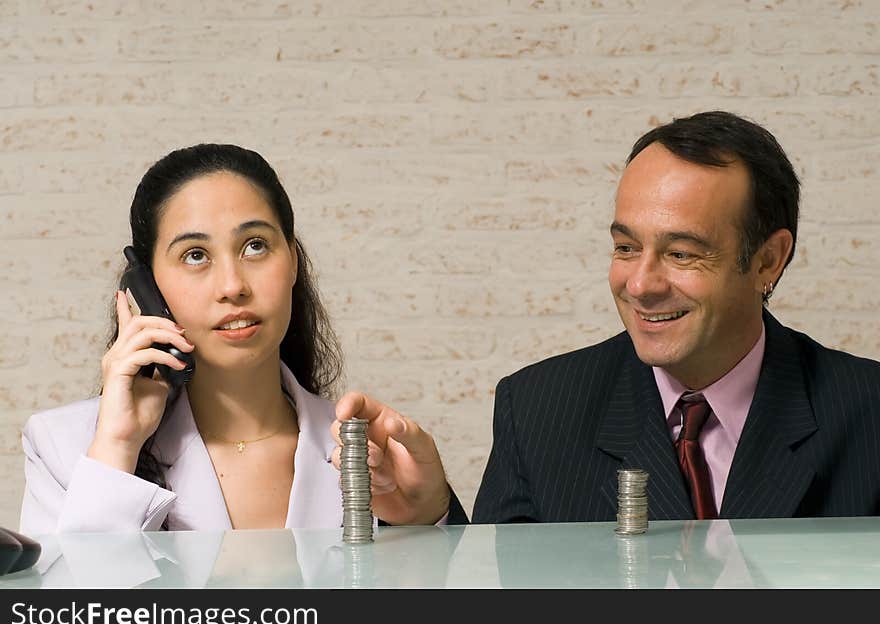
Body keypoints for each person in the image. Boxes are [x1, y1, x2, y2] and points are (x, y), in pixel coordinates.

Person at [336, 110, 880, 524]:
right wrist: (432, 517)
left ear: (768, 258)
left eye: (682, 253)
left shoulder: (867, 413)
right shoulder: (539, 409)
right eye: (625, 248)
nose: (640, 284)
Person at [19, 143, 455, 535]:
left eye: (255, 246)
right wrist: (117, 446)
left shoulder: (374, 457)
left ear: (293, 262)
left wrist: (427, 517)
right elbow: (74, 620)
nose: (232, 285)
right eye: (195, 255)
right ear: (146, 287)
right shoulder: (65, 447)